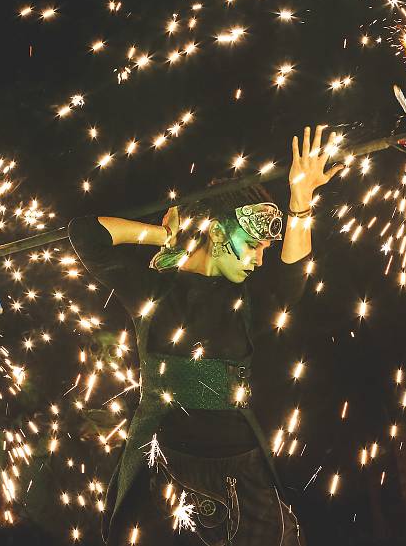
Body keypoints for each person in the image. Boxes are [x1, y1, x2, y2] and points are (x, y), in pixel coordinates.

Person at [68, 126, 342, 545]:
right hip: (169, 479)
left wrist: (301, 203)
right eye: (254, 244)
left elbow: (292, 284)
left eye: (266, 248)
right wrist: (161, 235)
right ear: (217, 233)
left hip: (245, 478)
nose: (259, 258)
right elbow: (85, 233)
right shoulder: (156, 290)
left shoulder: (249, 302)